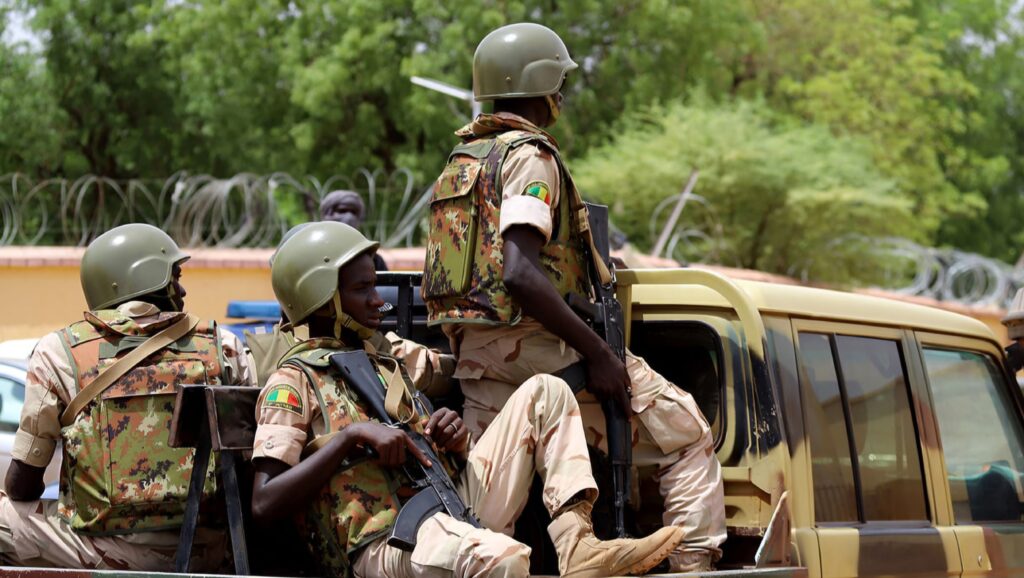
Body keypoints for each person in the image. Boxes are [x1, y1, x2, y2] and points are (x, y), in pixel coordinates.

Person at [421, 22, 726, 571]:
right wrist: (600, 355)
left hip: (478, 359)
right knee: (687, 433)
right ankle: (693, 565)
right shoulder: (531, 158)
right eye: (558, 82)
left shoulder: (463, 162)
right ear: (541, 87)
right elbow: (518, 270)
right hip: (539, 349)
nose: (561, 94)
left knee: (489, 510)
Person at [250, 221, 685, 578]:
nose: (377, 301)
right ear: (322, 296)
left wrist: (450, 439)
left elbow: (429, 442)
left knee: (546, 391)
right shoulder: (294, 382)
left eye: (374, 286)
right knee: (504, 558)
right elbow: (265, 501)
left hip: (446, 506)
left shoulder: (382, 361)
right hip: (385, 541)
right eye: (362, 289)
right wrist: (351, 439)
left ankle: (576, 544)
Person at [0, 223, 255, 570]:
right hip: (208, 548)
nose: (182, 290)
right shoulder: (223, 347)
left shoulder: (59, 353)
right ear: (149, 278)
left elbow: (23, 484)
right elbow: (248, 466)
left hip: (104, 550)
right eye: (175, 277)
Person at [320, 189, 389, 271]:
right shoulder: (314, 254)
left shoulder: (373, 260)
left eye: (353, 212)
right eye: (342, 210)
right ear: (327, 213)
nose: (349, 216)